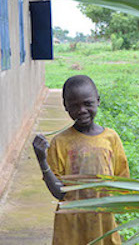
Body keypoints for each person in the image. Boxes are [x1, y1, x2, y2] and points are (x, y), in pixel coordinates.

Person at [32, 75, 130, 245]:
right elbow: (59, 193)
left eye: (87, 103)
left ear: (98, 101)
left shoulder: (111, 138)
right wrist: (42, 162)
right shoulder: (60, 142)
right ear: (65, 106)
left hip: (103, 221)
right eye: (74, 105)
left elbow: (123, 183)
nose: (82, 110)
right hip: (71, 225)